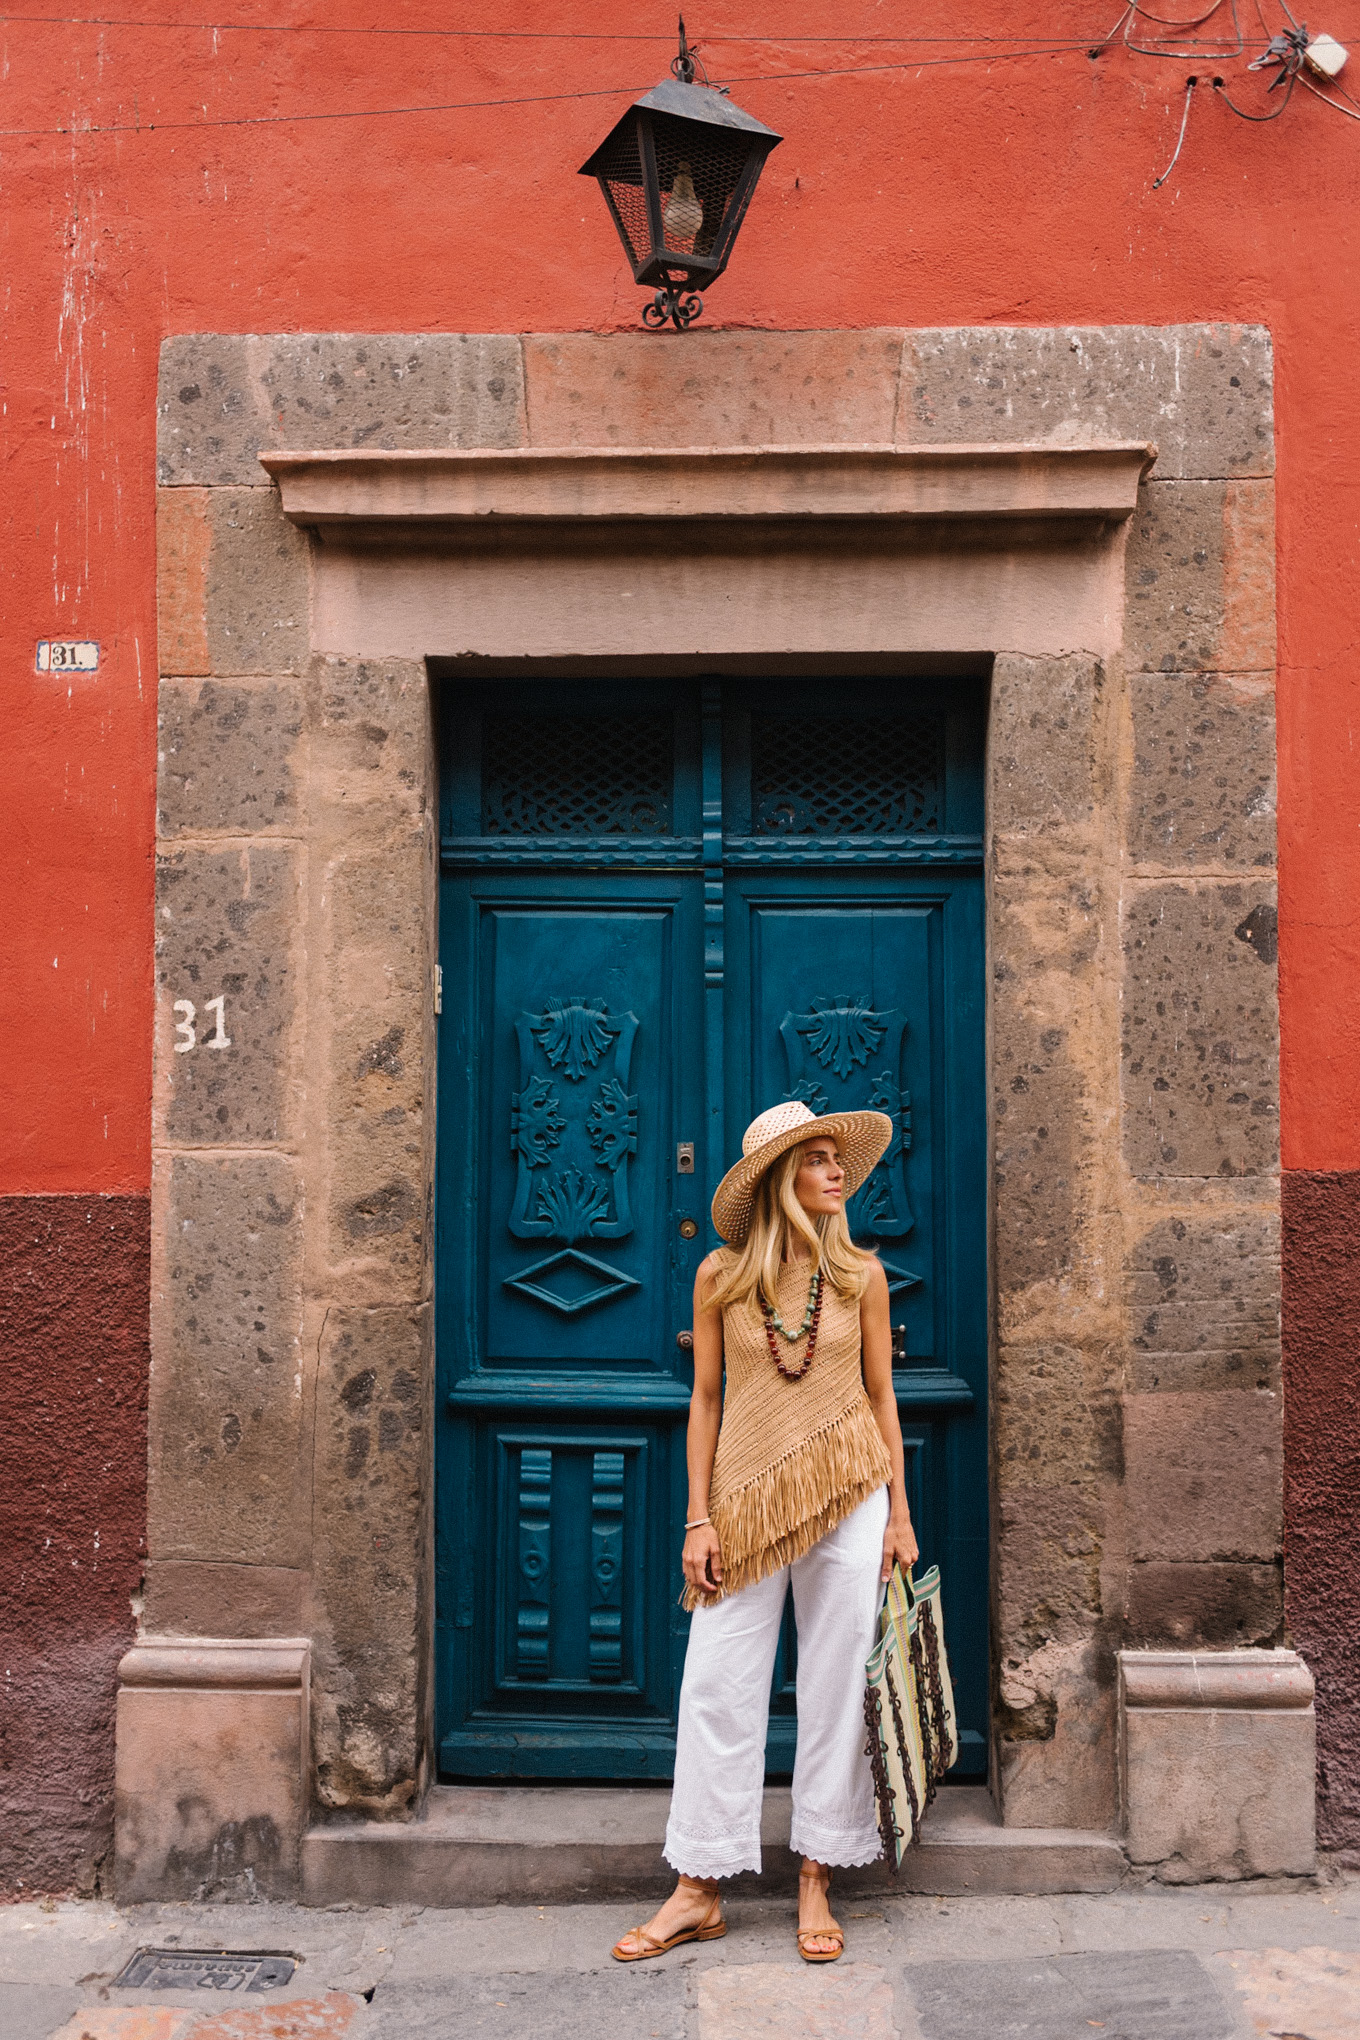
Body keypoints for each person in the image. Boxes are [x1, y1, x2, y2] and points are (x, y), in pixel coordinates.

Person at [612, 1099, 919, 1965]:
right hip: (744, 1502)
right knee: (716, 1683)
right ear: (782, 1179)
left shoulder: (860, 1273)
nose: (835, 1172)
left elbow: (882, 1397)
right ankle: (697, 1887)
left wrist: (899, 1513)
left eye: (836, 1158)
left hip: (850, 1487)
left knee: (832, 1683)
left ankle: (816, 1874)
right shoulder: (720, 1277)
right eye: (816, 1159)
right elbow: (704, 1400)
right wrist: (697, 1518)